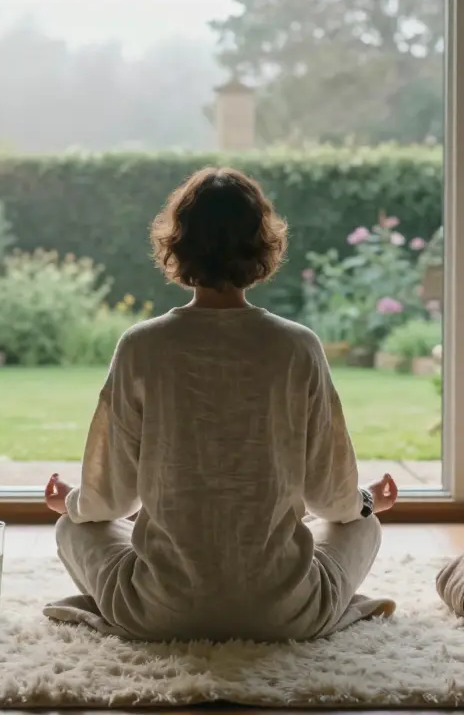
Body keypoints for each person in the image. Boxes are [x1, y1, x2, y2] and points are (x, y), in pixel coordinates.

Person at [41, 167, 398, 642]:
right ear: (263, 246)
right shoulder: (298, 347)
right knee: (364, 527)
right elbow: (332, 501)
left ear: (177, 245)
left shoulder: (141, 346)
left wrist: (70, 500)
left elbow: (111, 500)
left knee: (73, 527)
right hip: (287, 614)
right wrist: (368, 500)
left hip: (157, 611)